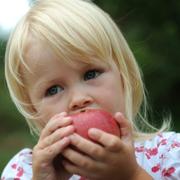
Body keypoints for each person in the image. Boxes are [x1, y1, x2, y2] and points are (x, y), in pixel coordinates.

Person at [1, 0, 180, 179]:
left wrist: (131, 175)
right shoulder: (27, 171)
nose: (78, 99)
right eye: (54, 89)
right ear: (33, 110)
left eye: (91, 74)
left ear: (123, 75)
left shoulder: (168, 154)